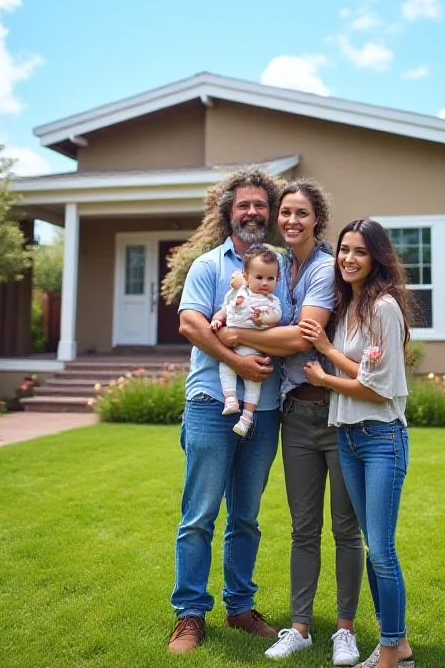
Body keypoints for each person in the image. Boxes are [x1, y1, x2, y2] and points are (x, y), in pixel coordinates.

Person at [217, 180, 364, 666]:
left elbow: (301, 339)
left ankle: (345, 629)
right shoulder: (276, 267)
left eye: (301, 213)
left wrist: (236, 331)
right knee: (304, 529)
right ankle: (300, 626)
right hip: (294, 414)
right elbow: (269, 325)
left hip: (336, 414)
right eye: (285, 213)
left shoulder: (324, 268)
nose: (291, 221)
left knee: (345, 528)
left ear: (316, 218)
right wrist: (250, 328)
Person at [168, 168, 287, 654]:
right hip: (210, 403)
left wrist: (246, 339)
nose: (253, 212)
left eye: (261, 205)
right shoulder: (207, 266)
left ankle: (239, 607)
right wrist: (237, 358)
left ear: (270, 212)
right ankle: (190, 614)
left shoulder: (281, 268)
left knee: (247, 516)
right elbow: (193, 324)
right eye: (244, 205)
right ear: (229, 211)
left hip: (265, 408)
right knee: (199, 516)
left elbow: (294, 329)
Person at [300, 219, 415, 668]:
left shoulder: (384, 306)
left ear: (377, 258)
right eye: (344, 250)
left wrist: (326, 375)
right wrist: (329, 349)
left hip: (381, 438)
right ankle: (398, 643)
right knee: (373, 548)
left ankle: (390, 653)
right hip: (347, 436)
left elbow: (379, 389)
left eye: (360, 252)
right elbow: (359, 368)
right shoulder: (350, 306)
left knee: (382, 551)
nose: (348, 258)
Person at [210, 246, 283, 435]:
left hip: (254, 352)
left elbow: (275, 318)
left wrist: (263, 319)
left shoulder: (271, 301)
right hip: (233, 350)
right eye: (259, 277)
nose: (265, 283)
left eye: (270, 278)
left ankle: (246, 418)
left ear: (277, 279)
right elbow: (226, 310)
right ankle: (230, 398)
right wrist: (217, 320)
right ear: (247, 276)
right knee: (225, 366)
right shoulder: (237, 295)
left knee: (254, 383)